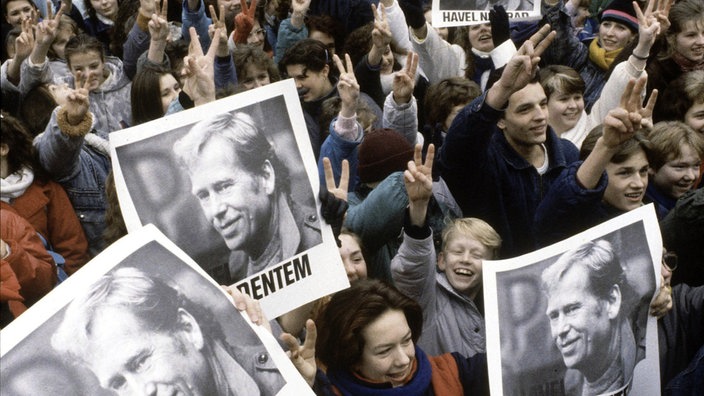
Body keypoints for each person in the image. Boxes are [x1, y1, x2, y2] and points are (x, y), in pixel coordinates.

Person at [437, 24, 579, 258]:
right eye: (525, 110)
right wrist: (502, 89)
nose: (540, 116)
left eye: (542, 104)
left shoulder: (568, 154)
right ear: (500, 120)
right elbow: (457, 148)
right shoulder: (484, 163)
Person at [51, 266, 285, 396]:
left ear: (188, 328)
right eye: (119, 383)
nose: (142, 393)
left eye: (141, 363)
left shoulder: (283, 379)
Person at [172, 111, 321, 280]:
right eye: (204, 195)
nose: (215, 211)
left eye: (224, 187)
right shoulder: (237, 262)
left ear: (266, 177)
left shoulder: (318, 240)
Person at [281, 279, 490, 395]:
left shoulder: (455, 372)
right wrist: (303, 390)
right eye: (384, 351)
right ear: (352, 355)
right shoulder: (329, 392)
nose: (404, 359)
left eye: (406, 340)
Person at [391, 142, 502, 358]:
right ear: (441, 260)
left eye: (477, 254)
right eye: (458, 252)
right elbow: (412, 268)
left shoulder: (500, 304)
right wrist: (419, 207)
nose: (466, 260)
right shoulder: (426, 296)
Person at [541, 239, 637, 395]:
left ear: (612, 301)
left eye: (572, 309)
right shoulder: (571, 382)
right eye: (554, 316)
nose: (560, 331)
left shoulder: (649, 353)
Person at [644, 121, 704, 219]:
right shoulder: (643, 212)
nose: (691, 176)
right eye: (680, 167)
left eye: (696, 166)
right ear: (651, 166)